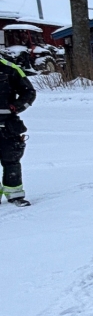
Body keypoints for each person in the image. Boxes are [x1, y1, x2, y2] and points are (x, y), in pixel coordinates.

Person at [0, 55, 36, 206]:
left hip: (7, 125)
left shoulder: (10, 69)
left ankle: (15, 195)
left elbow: (29, 92)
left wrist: (16, 106)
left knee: (11, 160)